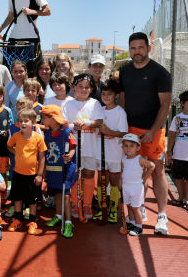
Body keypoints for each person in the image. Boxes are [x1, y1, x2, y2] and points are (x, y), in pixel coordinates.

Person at [119, 32, 172, 235]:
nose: (137, 52)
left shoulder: (160, 73)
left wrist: (153, 130)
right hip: (131, 130)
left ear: (148, 48)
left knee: (157, 171)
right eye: (133, 48)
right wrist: (124, 129)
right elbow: (122, 99)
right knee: (136, 172)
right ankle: (140, 206)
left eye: (141, 47)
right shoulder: (124, 71)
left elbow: (165, 105)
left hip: (154, 130)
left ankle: (162, 215)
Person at [0, 0, 51, 75]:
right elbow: (10, 16)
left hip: (31, 39)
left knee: (33, 74)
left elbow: (48, 11)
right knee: (11, 73)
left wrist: (32, 11)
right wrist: (0, 29)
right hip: (14, 39)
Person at [64, 74, 104, 220]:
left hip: (90, 147)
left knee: (88, 174)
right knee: (74, 175)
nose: (83, 89)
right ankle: (75, 203)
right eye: (80, 86)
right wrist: (74, 124)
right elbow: (64, 124)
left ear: (91, 89)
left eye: (87, 87)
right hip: (74, 147)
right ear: (74, 87)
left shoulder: (95, 103)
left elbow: (99, 122)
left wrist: (85, 123)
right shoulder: (69, 104)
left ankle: (87, 204)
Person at [6, 108, 47, 234]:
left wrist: (40, 175)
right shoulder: (16, 136)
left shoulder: (38, 138)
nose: (23, 124)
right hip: (18, 174)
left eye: (26, 121)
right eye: (21, 121)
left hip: (32, 175)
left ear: (34, 122)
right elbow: (9, 146)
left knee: (32, 199)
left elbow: (42, 157)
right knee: (17, 198)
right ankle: (18, 219)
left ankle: (32, 221)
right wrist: (16, 152)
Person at [41, 105, 77, 238]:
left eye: (45, 117)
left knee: (65, 194)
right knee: (57, 192)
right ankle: (58, 216)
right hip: (52, 168)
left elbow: (73, 146)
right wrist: (44, 168)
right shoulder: (48, 134)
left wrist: (71, 154)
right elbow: (45, 152)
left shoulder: (66, 132)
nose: (42, 119)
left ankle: (68, 222)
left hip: (64, 169)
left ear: (53, 118)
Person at [96, 79, 127, 223]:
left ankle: (113, 209)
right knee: (102, 181)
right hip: (101, 153)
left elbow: (123, 133)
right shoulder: (100, 110)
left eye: (109, 94)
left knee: (114, 181)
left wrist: (108, 132)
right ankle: (102, 207)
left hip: (115, 153)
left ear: (116, 95)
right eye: (103, 94)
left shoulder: (120, 112)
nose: (106, 97)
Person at [120, 134, 156, 236]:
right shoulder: (123, 160)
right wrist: (121, 183)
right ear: (122, 147)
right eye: (125, 146)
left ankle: (139, 227)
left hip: (136, 188)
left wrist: (144, 178)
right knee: (129, 206)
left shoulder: (139, 159)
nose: (128, 149)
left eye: (131, 146)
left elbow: (152, 166)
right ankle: (131, 223)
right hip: (126, 187)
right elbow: (123, 172)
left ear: (138, 147)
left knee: (136, 208)